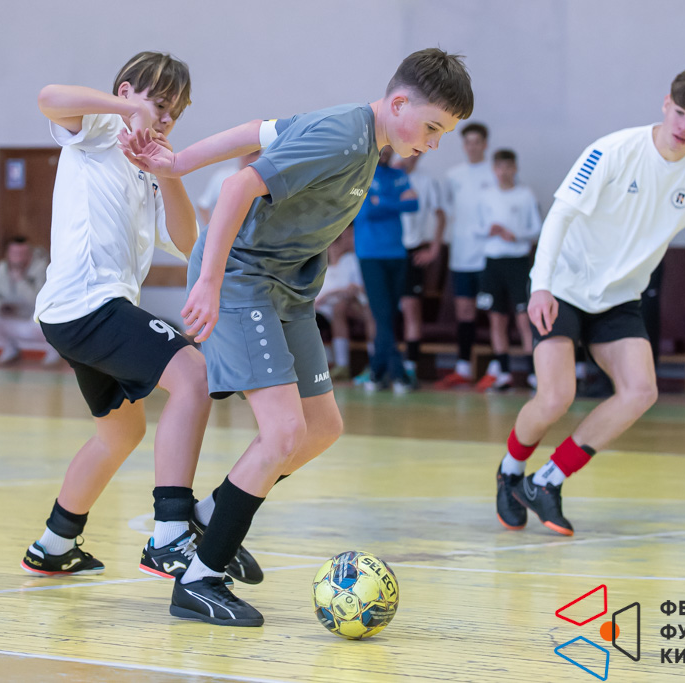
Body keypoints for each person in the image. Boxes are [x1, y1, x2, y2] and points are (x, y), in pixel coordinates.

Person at [122, 47, 474, 625]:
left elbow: (258, 130)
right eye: (433, 127)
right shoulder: (343, 135)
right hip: (244, 280)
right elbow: (237, 189)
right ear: (398, 103)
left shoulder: (362, 136)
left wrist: (179, 161)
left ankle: (208, 518)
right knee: (283, 432)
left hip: (289, 290)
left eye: (444, 134)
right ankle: (199, 579)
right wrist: (209, 280)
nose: (434, 143)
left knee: (321, 427)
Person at [19, 52, 262, 590]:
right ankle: (170, 533)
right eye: (160, 103)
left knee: (121, 432)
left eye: (176, 111)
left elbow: (187, 241)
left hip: (82, 312)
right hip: (88, 304)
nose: (167, 117)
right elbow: (48, 97)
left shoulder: (146, 160)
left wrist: (167, 172)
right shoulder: (99, 127)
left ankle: (54, 545)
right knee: (194, 375)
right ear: (127, 92)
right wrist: (126, 111)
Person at [496, 66, 685, 537]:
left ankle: (547, 480)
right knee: (556, 396)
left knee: (641, 392)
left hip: (619, 299)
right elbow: (560, 214)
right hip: (563, 287)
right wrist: (540, 284)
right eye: (680, 112)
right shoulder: (613, 150)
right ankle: (511, 472)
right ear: (666, 104)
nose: (684, 126)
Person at [472, 149, 541, 392]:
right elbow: (476, 228)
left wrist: (516, 235)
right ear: (494, 169)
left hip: (518, 262)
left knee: (524, 320)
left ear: (515, 168)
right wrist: (489, 230)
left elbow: (537, 229)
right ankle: (503, 372)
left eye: (508, 167)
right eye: (499, 167)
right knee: (497, 319)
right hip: (493, 262)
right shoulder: (486, 196)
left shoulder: (525, 195)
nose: (503, 172)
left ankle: (533, 374)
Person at [435, 122, 495, 388]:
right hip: (461, 255)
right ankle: (463, 367)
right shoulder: (453, 176)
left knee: (494, 312)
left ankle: (498, 367)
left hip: (489, 255)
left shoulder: (494, 172)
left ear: (485, 144)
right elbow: (447, 211)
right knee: (464, 310)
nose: (472, 147)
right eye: (468, 142)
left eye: (476, 142)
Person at [354, 146, 418, 393]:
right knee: (382, 314)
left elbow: (414, 204)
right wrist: (396, 202)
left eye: (391, 148)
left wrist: (383, 201)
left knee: (389, 315)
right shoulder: (360, 174)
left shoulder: (398, 175)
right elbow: (368, 210)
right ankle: (399, 374)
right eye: (383, 147)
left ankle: (377, 373)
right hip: (371, 254)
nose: (387, 152)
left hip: (397, 253)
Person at [397, 150, 446, 385]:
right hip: (384, 251)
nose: (411, 156)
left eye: (416, 153)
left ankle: (410, 366)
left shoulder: (426, 181)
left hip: (412, 250)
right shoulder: (382, 176)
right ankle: (379, 364)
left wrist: (434, 248)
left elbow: (440, 215)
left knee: (411, 308)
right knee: (380, 311)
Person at [0, 236, 60, 366]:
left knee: (45, 320)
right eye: (14, 253)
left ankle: (54, 351)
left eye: (22, 253)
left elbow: (40, 300)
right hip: (12, 318)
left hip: (32, 321)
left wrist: (21, 280)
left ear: (30, 254)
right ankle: (9, 349)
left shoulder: (41, 268)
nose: (18, 257)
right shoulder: (2, 268)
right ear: (8, 254)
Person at [315, 225, 373, 380]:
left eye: (336, 243)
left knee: (341, 307)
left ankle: (372, 363)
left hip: (355, 304)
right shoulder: (322, 268)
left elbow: (356, 288)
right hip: (327, 310)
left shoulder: (351, 260)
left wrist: (336, 294)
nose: (332, 248)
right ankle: (339, 365)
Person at [196, 152, 261, 225]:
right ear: (241, 154)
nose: (252, 159)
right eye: (249, 154)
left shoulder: (262, 181)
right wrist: (210, 229)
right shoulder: (222, 176)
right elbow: (203, 205)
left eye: (255, 153)